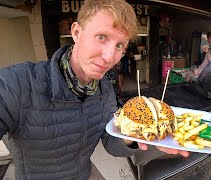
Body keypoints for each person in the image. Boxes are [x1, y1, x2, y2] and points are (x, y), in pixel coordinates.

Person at [0, 0, 188, 179]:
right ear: (76, 32)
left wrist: (135, 135)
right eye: (101, 37)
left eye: (119, 45)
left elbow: (110, 141)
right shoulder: (18, 83)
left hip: (84, 174)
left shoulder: (105, 89)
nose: (109, 57)